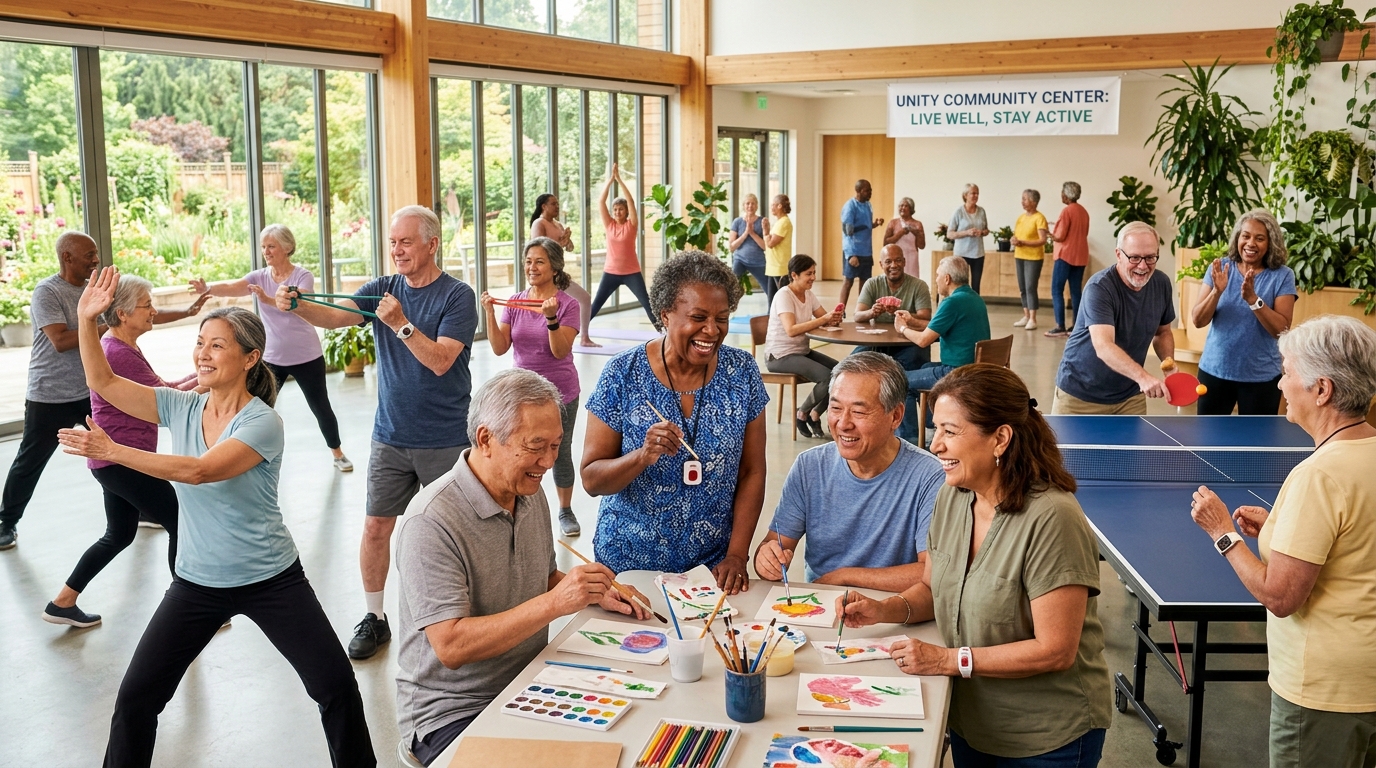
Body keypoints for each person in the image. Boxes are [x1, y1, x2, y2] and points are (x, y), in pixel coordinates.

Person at [58, 269, 375, 767]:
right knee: (137, 700)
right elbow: (101, 381)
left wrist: (113, 450)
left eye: (217, 346)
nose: (202, 354)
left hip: (272, 579)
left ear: (250, 359)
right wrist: (85, 319)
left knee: (335, 686)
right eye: (200, 343)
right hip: (197, 583)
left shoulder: (262, 422)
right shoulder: (182, 407)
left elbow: (200, 471)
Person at [839, 364, 1112, 768]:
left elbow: (1056, 650)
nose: (935, 445)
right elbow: (933, 589)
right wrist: (886, 609)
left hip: (1045, 741)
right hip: (971, 724)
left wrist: (949, 660)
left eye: (950, 431)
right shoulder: (953, 497)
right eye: (936, 430)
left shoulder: (1053, 517)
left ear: (1000, 438)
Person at [395, 369, 647, 767]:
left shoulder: (529, 493)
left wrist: (595, 593)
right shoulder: (431, 520)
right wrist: (557, 603)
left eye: (556, 446)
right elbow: (452, 646)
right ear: (485, 439)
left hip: (530, 681)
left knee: (636, 738)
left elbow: (542, 579)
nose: (548, 462)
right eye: (535, 447)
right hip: (452, 713)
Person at [274, 205, 478, 661]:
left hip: (445, 437)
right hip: (390, 436)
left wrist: (400, 324)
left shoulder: (457, 296)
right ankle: (375, 617)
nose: (397, 250)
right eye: (392, 242)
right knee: (374, 527)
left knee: (452, 531)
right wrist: (298, 305)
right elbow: (337, 316)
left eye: (406, 241)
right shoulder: (382, 289)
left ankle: (457, 615)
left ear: (432, 244)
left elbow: (441, 360)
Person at [1188, 315, 1376, 768]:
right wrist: (1279, 526)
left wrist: (1223, 533)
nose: (1280, 382)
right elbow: (1354, 543)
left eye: (1288, 372)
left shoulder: (1317, 475)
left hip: (1323, 692)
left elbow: (1280, 595)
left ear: (1323, 389)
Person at [0, 231, 201, 551]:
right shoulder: (47, 292)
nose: (96, 260)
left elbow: (141, 313)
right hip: (51, 393)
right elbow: (61, 341)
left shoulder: (95, 292)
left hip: (96, 388)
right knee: (31, 461)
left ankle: (137, 506)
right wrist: (105, 318)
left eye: (96, 254)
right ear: (67, 258)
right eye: (89, 255)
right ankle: (6, 522)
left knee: (117, 449)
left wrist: (188, 312)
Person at [581, 250, 767, 594]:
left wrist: (737, 555)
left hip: (711, 567)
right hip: (629, 566)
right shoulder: (622, 375)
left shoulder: (742, 372)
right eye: (698, 317)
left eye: (722, 318)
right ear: (665, 314)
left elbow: (752, 471)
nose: (712, 331)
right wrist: (641, 456)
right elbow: (592, 479)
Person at [42, 275, 204, 627]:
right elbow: (164, 402)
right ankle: (187, 611)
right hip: (121, 461)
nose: (153, 311)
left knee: (119, 534)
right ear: (124, 313)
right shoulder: (117, 351)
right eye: (147, 306)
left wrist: (201, 377)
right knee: (181, 522)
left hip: (112, 461)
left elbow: (161, 391)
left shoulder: (123, 347)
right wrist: (206, 382)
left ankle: (62, 602)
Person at [754, 353, 944, 590]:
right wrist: (766, 560)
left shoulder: (930, 476)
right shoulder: (809, 466)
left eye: (859, 411)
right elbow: (775, 544)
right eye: (835, 408)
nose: (843, 423)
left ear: (896, 416)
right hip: (821, 611)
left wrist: (845, 577)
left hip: (893, 611)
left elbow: (932, 572)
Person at [190, 223, 352, 471]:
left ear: (287, 248)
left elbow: (296, 303)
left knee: (320, 406)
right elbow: (235, 286)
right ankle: (236, 454)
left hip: (306, 356)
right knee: (257, 407)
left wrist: (266, 299)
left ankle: (338, 453)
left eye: (271, 246)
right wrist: (208, 289)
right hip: (273, 357)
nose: (266, 251)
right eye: (264, 246)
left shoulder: (302, 277)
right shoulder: (259, 277)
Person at [480, 237, 584, 537]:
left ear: (554, 267)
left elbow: (560, 351)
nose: (531, 267)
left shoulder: (568, 305)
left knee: (558, 452)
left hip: (562, 393)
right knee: (520, 452)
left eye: (539, 261)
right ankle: (520, 508)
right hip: (522, 395)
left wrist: (551, 318)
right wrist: (488, 312)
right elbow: (500, 348)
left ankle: (565, 510)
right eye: (528, 261)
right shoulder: (515, 301)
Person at [1052, 221, 1175, 415]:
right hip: (1080, 397)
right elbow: (1103, 346)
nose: (1143, 266)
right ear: (1118, 254)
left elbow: (1163, 332)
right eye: (1134, 257)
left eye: (1151, 257)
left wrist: (1168, 364)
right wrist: (1143, 377)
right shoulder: (1099, 288)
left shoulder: (1161, 284)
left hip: (1129, 397)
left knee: (1131, 447)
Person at [1190, 209, 1297, 415]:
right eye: (1245, 236)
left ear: (1270, 243)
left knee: (1256, 443)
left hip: (1261, 377)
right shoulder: (1220, 268)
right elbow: (1198, 320)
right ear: (1237, 238)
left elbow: (1281, 330)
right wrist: (1216, 292)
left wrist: (1253, 300)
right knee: (1208, 441)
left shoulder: (1283, 276)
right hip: (1214, 372)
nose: (1250, 243)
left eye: (1259, 238)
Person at [892, 256, 990, 443]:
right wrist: (912, 321)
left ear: (947, 278)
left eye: (937, 275)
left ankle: (909, 441)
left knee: (900, 380)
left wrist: (902, 328)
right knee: (925, 367)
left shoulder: (951, 302)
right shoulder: (974, 298)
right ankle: (931, 429)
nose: (935, 280)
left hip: (956, 372)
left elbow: (923, 341)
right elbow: (938, 326)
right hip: (975, 369)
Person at [764, 254, 842, 439]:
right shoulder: (784, 295)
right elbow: (791, 330)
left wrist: (834, 318)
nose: (813, 277)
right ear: (794, 275)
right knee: (826, 377)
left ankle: (815, 414)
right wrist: (824, 320)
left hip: (800, 351)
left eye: (814, 272)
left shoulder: (808, 294)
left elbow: (823, 317)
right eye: (809, 273)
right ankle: (802, 413)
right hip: (780, 356)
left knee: (841, 372)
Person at [588, 164, 655, 328]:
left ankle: (664, 334)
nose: (618, 212)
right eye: (615, 209)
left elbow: (631, 200)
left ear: (626, 211)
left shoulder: (631, 225)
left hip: (631, 272)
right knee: (595, 305)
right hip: (610, 272)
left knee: (646, 303)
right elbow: (601, 201)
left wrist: (619, 179)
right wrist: (610, 180)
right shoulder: (609, 225)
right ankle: (576, 332)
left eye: (621, 209)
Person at [531, 193, 600, 347]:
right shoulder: (539, 223)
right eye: (553, 204)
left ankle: (584, 337)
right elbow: (538, 248)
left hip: (557, 273)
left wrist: (567, 240)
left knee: (584, 298)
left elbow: (569, 247)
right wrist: (559, 243)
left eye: (557, 203)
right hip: (545, 274)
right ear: (544, 206)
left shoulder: (558, 225)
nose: (557, 207)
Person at [855, 244, 933, 370]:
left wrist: (902, 314)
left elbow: (925, 318)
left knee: (905, 371)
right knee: (853, 364)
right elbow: (857, 316)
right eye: (888, 261)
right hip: (877, 342)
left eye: (898, 260)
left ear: (904, 262)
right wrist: (871, 312)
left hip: (910, 342)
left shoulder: (919, 286)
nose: (893, 265)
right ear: (881, 265)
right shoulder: (872, 284)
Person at [1045, 182, 1090, 338]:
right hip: (1081, 255)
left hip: (1065, 255)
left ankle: (1060, 326)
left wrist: (1049, 233)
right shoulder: (1084, 211)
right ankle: (1075, 327)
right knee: (1075, 291)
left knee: (1056, 290)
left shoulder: (1066, 211)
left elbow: (1061, 236)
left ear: (1066, 194)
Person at [839, 179, 884, 308]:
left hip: (866, 251)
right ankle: (840, 311)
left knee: (865, 283)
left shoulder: (868, 205)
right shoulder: (850, 206)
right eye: (867, 190)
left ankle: (861, 310)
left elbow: (864, 226)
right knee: (848, 282)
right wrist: (850, 255)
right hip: (853, 252)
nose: (870, 193)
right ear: (858, 191)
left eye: (871, 190)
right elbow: (847, 233)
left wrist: (875, 224)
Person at [1011, 189, 1050, 331]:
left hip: (1033, 257)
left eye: (1025, 199)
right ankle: (1026, 316)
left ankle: (1033, 319)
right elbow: (1018, 235)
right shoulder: (1021, 218)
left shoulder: (1039, 218)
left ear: (1034, 202)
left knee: (1030, 287)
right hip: (1019, 255)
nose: (1022, 202)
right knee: (1022, 288)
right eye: (1022, 199)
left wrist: (1023, 242)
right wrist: (1014, 240)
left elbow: (1042, 240)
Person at [729, 193, 770, 304]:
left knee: (770, 290)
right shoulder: (737, 222)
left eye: (753, 203)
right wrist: (746, 233)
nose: (750, 206)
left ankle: (772, 314)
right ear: (743, 206)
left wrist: (752, 233)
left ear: (757, 206)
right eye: (747, 203)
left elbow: (766, 246)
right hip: (740, 260)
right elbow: (732, 247)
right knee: (729, 286)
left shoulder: (762, 222)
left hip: (758, 261)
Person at [948, 183, 989, 293]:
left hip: (978, 253)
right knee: (961, 284)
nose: (976, 196)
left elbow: (986, 230)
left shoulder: (981, 211)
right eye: (973, 193)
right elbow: (950, 234)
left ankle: (974, 308)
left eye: (977, 193)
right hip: (962, 254)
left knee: (976, 285)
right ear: (965, 195)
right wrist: (966, 232)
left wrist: (982, 232)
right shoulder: (958, 212)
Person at [884, 197, 926, 280]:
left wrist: (916, 232)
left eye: (905, 206)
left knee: (912, 280)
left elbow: (922, 246)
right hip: (895, 256)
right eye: (900, 206)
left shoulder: (917, 224)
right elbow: (886, 243)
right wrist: (900, 233)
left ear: (911, 209)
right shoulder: (893, 223)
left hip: (911, 257)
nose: (902, 208)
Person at [763, 193, 793, 306]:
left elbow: (770, 243)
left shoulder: (784, 222)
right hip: (773, 267)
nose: (771, 208)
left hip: (780, 267)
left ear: (780, 206)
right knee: (772, 301)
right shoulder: (779, 222)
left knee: (783, 300)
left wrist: (766, 231)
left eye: (773, 205)